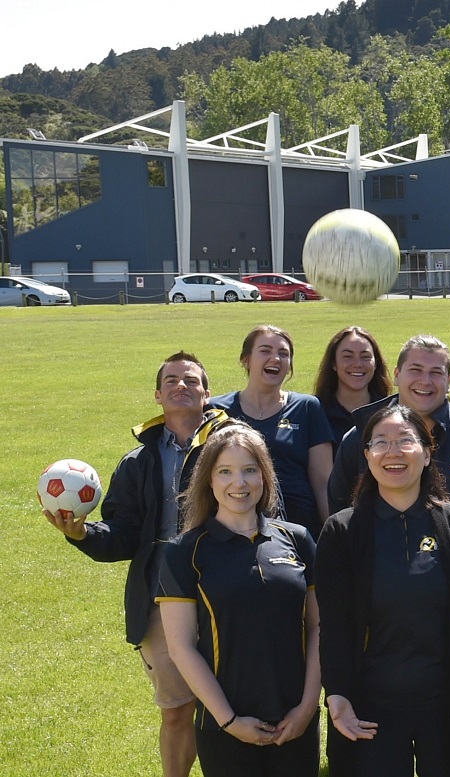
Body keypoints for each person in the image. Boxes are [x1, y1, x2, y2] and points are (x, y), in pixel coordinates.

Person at [44, 352, 232, 777]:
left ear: (207, 393)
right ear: (158, 395)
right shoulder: (138, 461)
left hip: (227, 595)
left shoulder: (232, 446)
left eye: (190, 379)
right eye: (171, 380)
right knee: (177, 712)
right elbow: (124, 533)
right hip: (162, 602)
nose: (180, 385)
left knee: (230, 707)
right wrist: (83, 534)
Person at [315, 403, 450, 777]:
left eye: (405, 441)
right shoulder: (343, 532)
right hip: (371, 705)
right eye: (381, 443)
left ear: (426, 453)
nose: (393, 452)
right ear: (367, 456)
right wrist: (337, 693)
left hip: (448, 700)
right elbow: (335, 624)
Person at [155, 424, 320, 776]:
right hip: (223, 725)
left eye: (249, 470)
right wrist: (229, 720)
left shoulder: (299, 540)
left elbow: (319, 628)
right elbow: (181, 649)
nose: (239, 484)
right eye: (225, 472)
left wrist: (307, 708)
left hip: (296, 722)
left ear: (265, 475)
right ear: (209, 481)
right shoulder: (184, 553)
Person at [327, 334, 450, 514]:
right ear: (397, 375)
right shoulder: (360, 437)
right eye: (415, 370)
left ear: (449, 382)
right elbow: (340, 511)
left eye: (436, 373)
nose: (425, 381)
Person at [209, 325, 334, 535]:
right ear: (246, 360)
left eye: (283, 354)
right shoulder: (217, 409)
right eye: (265, 351)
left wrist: (333, 533)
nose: (275, 358)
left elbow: (323, 483)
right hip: (234, 526)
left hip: (299, 528)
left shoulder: (307, 407)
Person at [313, 326, 392, 449]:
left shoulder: (392, 412)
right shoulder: (315, 413)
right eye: (348, 356)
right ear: (334, 363)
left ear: (376, 363)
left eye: (365, 357)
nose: (357, 364)